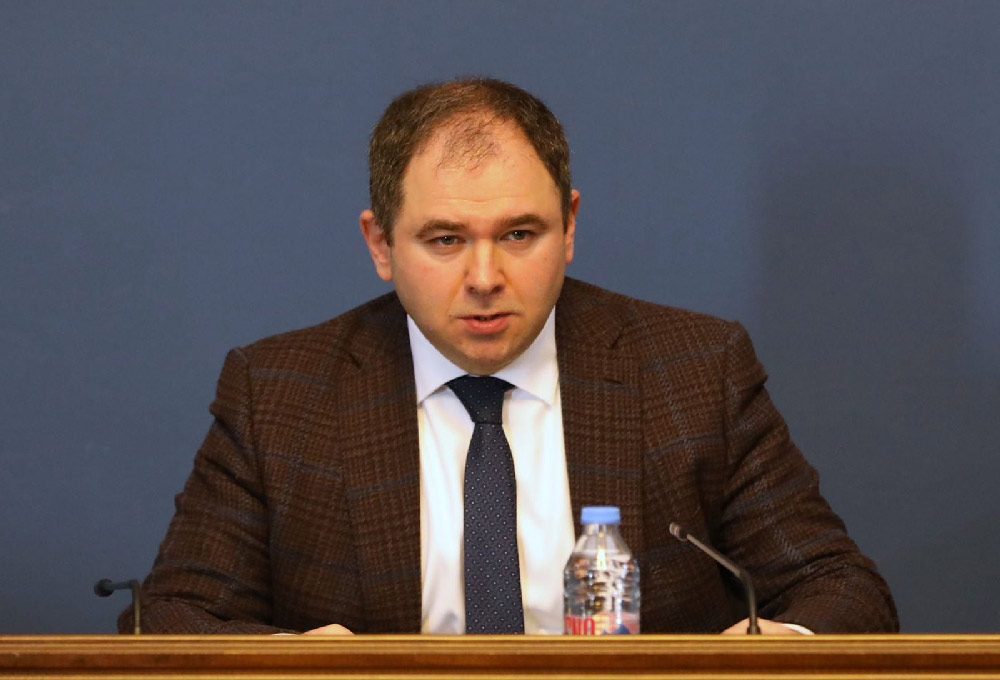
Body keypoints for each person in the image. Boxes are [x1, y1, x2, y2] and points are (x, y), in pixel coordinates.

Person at [121, 77, 897, 635]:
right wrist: (295, 667)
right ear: (380, 244)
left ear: (571, 227)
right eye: (445, 240)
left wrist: (767, 652)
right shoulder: (280, 394)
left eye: (520, 234)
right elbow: (170, 615)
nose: (486, 277)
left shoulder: (693, 371)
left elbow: (842, 589)